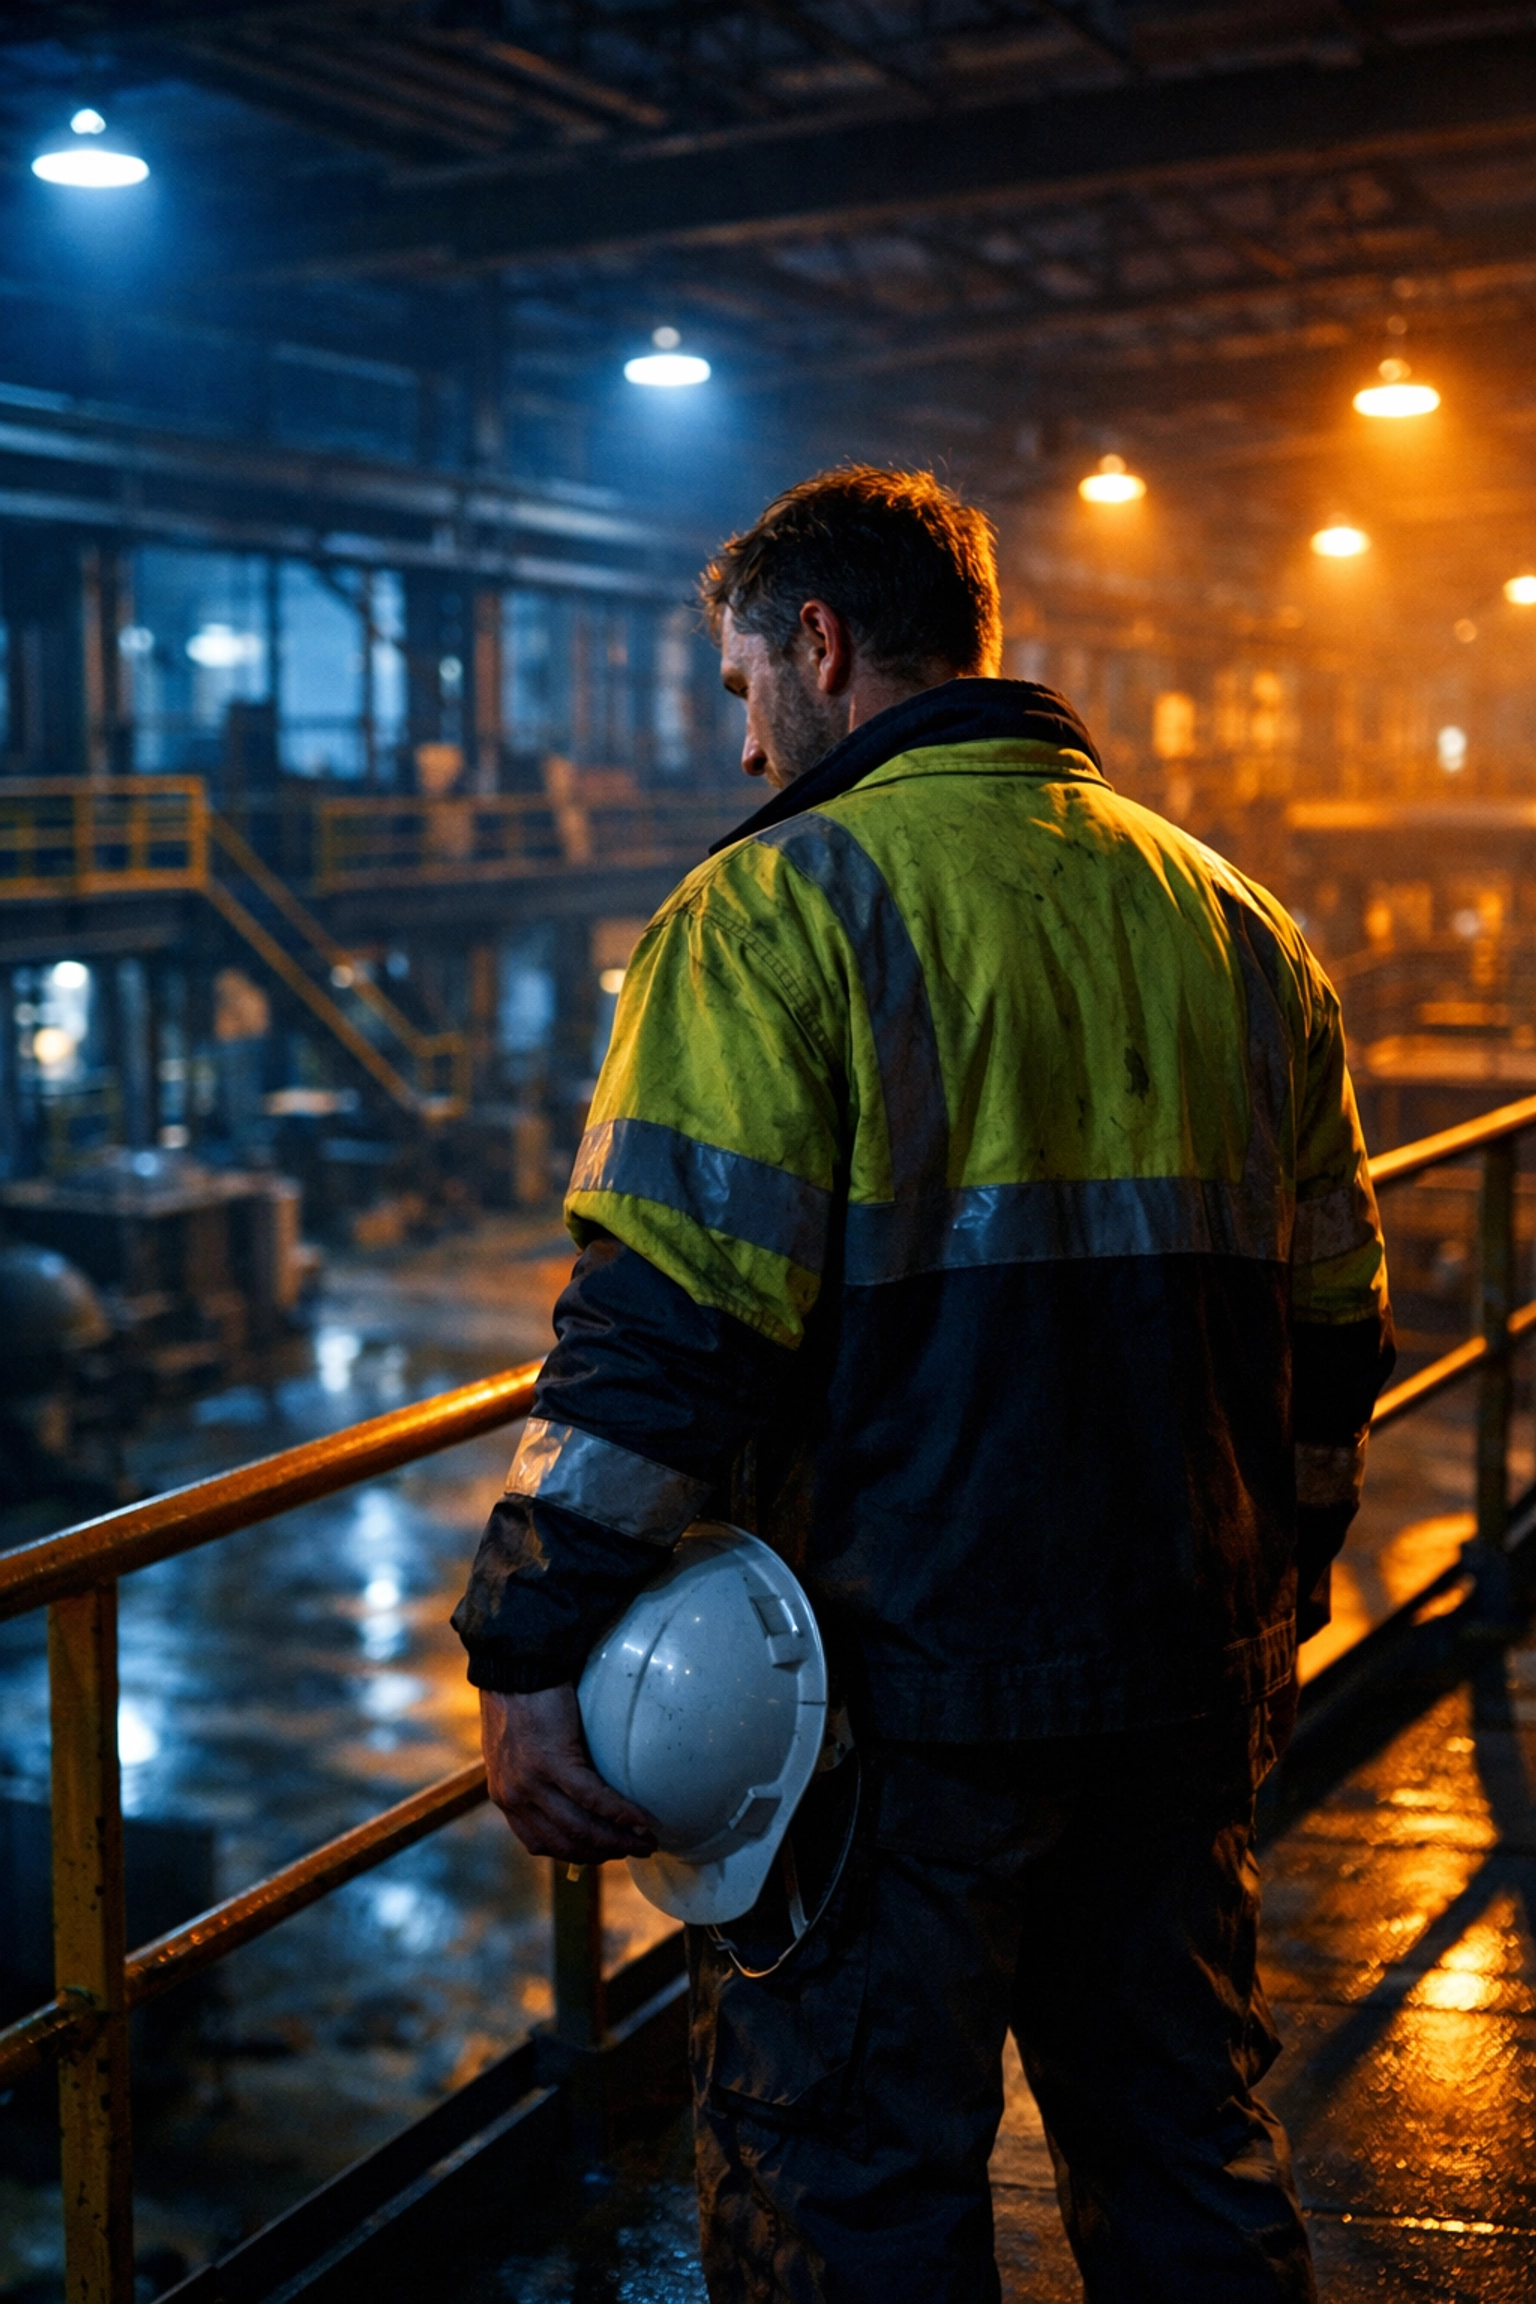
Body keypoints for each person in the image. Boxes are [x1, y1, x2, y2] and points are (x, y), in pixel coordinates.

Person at [453, 465, 1393, 2302]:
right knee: (1186, 2155)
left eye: (740, 690)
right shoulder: (1237, 925)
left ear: (817, 644)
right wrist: (1278, 1587)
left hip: (902, 1708)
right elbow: (1339, 1335)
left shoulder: (775, 912)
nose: (743, 747)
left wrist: (528, 1638)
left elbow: (667, 1327)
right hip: (1181, 1678)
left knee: (854, 2197)